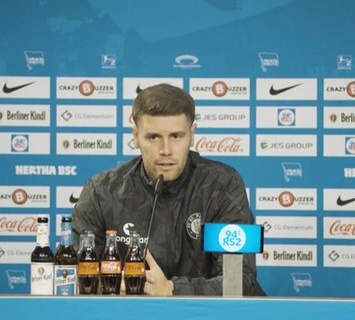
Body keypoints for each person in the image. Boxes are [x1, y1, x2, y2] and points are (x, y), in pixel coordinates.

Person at [72, 83, 264, 296]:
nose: (165, 150)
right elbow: (80, 278)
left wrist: (172, 289)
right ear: (136, 136)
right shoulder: (101, 192)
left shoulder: (222, 186)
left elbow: (238, 281)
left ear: (192, 135)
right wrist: (108, 285)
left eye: (176, 136)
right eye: (153, 137)